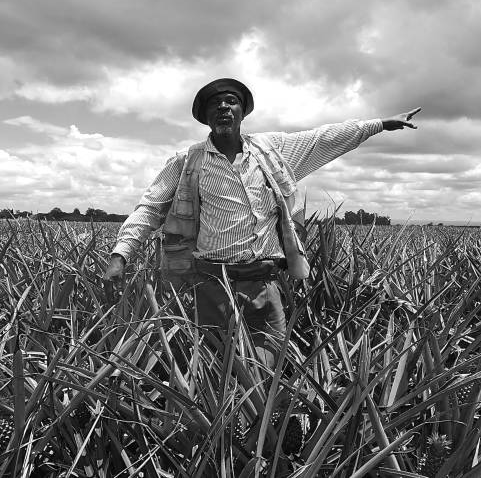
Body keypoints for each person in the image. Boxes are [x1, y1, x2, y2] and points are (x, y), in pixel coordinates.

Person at [104, 77, 420, 368]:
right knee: (218, 370)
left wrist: (379, 125)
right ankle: (225, 429)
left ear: (243, 111)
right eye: (215, 104)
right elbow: (150, 207)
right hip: (212, 285)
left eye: (231, 101)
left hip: (264, 285)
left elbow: (321, 138)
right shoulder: (187, 161)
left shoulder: (271, 151)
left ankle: (263, 426)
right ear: (206, 117)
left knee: (271, 368)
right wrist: (121, 254)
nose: (223, 107)